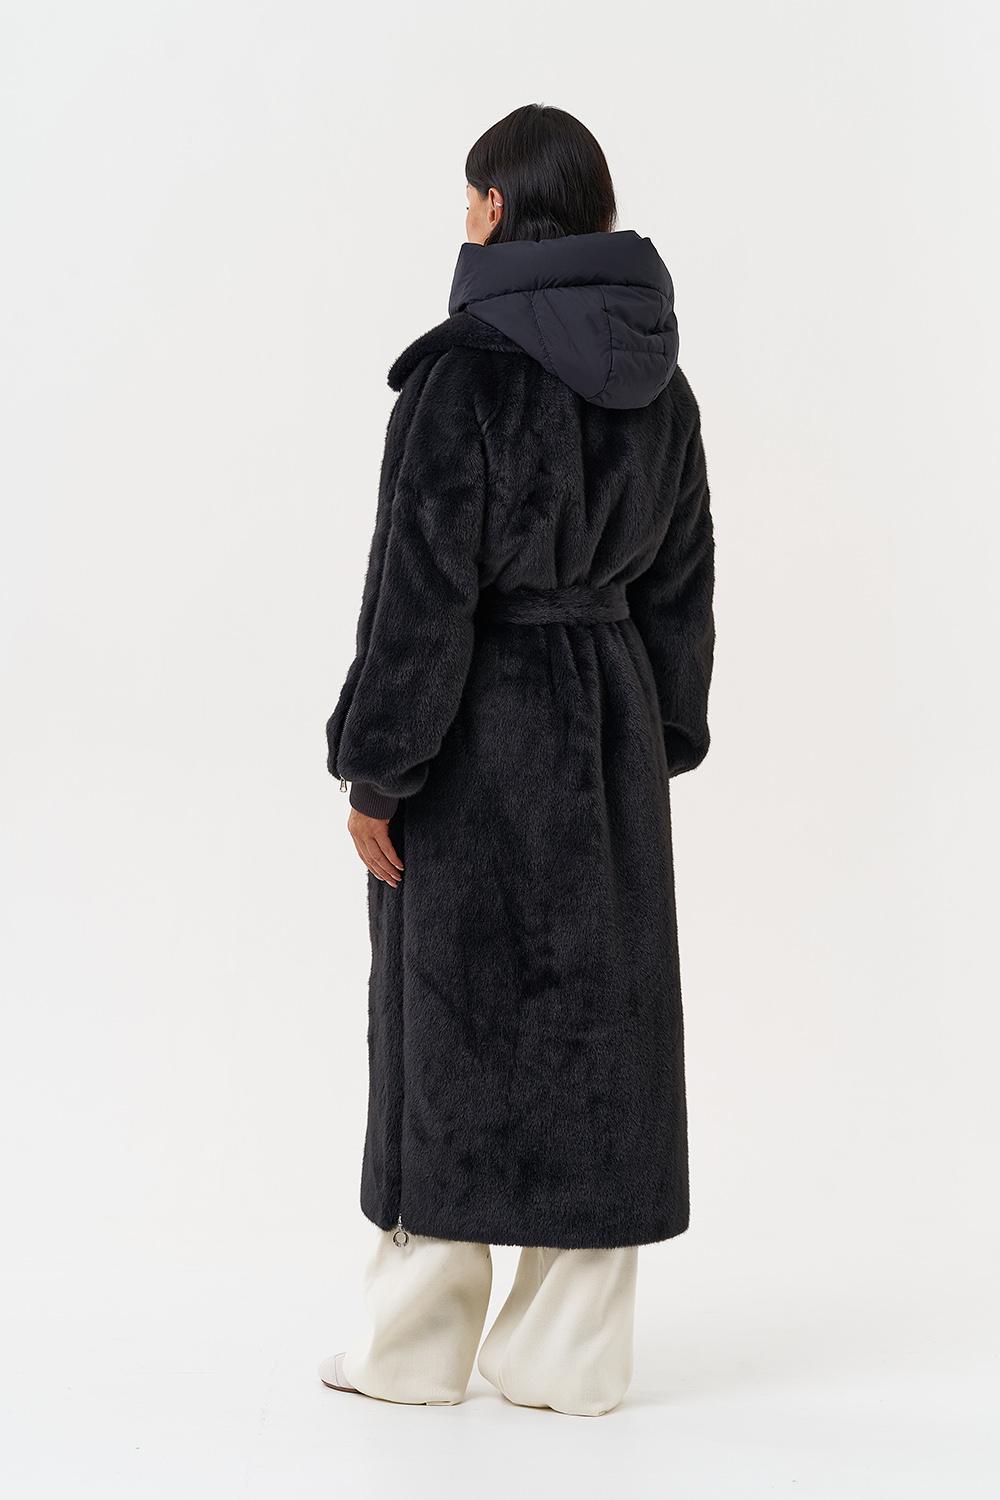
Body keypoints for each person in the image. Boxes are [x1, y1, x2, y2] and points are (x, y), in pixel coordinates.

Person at [319, 102, 716, 1417]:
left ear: (496, 209)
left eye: (467, 200)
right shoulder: (661, 381)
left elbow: (418, 598)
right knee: (599, 1036)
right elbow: (683, 583)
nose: (464, 220)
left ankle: (412, 1354)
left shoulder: (463, 377)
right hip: (606, 729)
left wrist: (380, 773)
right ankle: (567, 1358)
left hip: (477, 737)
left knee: (446, 1027)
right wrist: (652, 740)